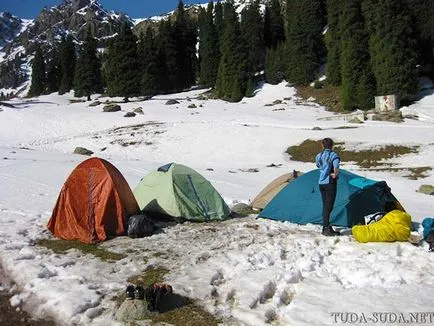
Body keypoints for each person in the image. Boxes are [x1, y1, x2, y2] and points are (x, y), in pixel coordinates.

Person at [315, 138, 341, 236]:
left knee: (325, 205)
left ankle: (327, 225)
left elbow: (318, 165)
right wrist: (335, 174)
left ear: (323, 145)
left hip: (321, 182)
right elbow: (336, 166)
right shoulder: (333, 155)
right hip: (330, 182)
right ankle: (325, 228)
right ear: (332, 145)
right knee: (329, 206)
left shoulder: (319, 156)